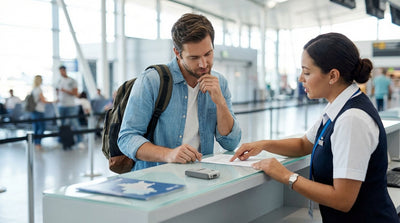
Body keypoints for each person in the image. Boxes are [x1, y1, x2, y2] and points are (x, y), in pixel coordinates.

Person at [230, 33, 398, 222]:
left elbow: (343, 199)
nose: (301, 78)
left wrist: (286, 176)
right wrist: (263, 144)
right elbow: (304, 144)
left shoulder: (352, 119)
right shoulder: (339, 106)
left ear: (333, 76)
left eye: (307, 72)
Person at [118, 13, 241, 171]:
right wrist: (168, 154)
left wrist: (220, 102)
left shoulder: (219, 83)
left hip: (201, 177)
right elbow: (127, 138)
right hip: (156, 180)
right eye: (194, 57)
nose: (204, 64)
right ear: (177, 53)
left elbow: (230, 143)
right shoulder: (152, 81)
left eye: (208, 54)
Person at [56, 65, 83, 148]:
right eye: (60, 71)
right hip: (61, 105)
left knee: (75, 123)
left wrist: (65, 91)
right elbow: (57, 91)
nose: (61, 73)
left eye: (62, 71)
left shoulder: (72, 81)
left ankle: (80, 141)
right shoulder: (59, 81)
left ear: (65, 70)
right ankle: (62, 141)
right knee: (62, 124)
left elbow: (76, 93)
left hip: (70, 105)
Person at [30, 75, 51, 149]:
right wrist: (53, 101)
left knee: (36, 127)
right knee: (42, 127)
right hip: (39, 110)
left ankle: (36, 143)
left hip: (33, 111)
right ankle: (38, 143)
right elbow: (43, 101)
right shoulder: (39, 89)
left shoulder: (33, 89)